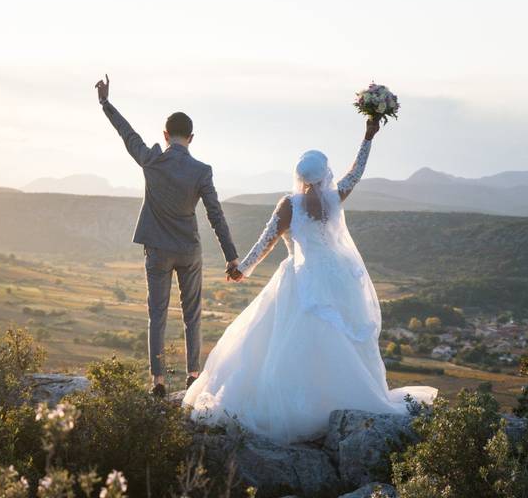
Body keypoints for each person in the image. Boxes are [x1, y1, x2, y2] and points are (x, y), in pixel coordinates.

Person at [183, 116, 437, 443]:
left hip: (304, 278)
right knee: (337, 340)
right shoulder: (334, 199)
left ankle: (302, 408)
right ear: (324, 175)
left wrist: (242, 269)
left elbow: (267, 241)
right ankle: (336, 399)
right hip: (337, 277)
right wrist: (368, 137)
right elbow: (355, 174)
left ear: (299, 176)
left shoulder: (290, 204)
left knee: (289, 342)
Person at [95, 75, 240, 397]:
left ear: (165, 135)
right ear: (192, 137)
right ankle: (192, 376)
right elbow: (216, 214)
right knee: (193, 316)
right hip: (189, 250)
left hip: (157, 250)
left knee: (156, 315)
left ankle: (158, 382)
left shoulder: (151, 160)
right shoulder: (202, 171)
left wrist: (106, 103)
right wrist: (231, 256)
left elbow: (127, 133)